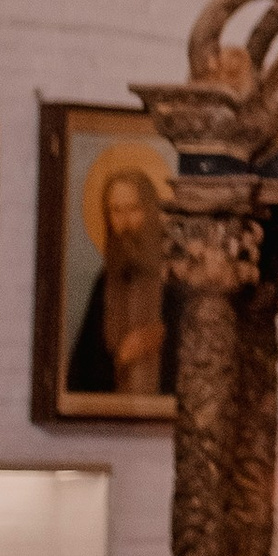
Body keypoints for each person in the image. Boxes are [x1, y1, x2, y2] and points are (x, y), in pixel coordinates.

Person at [67, 161, 175, 400]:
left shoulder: (175, 275)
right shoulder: (104, 282)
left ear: (150, 210)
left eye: (133, 209)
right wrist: (121, 358)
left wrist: (161, 335)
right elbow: (81, 376)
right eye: (116, 211)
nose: (124, 222)